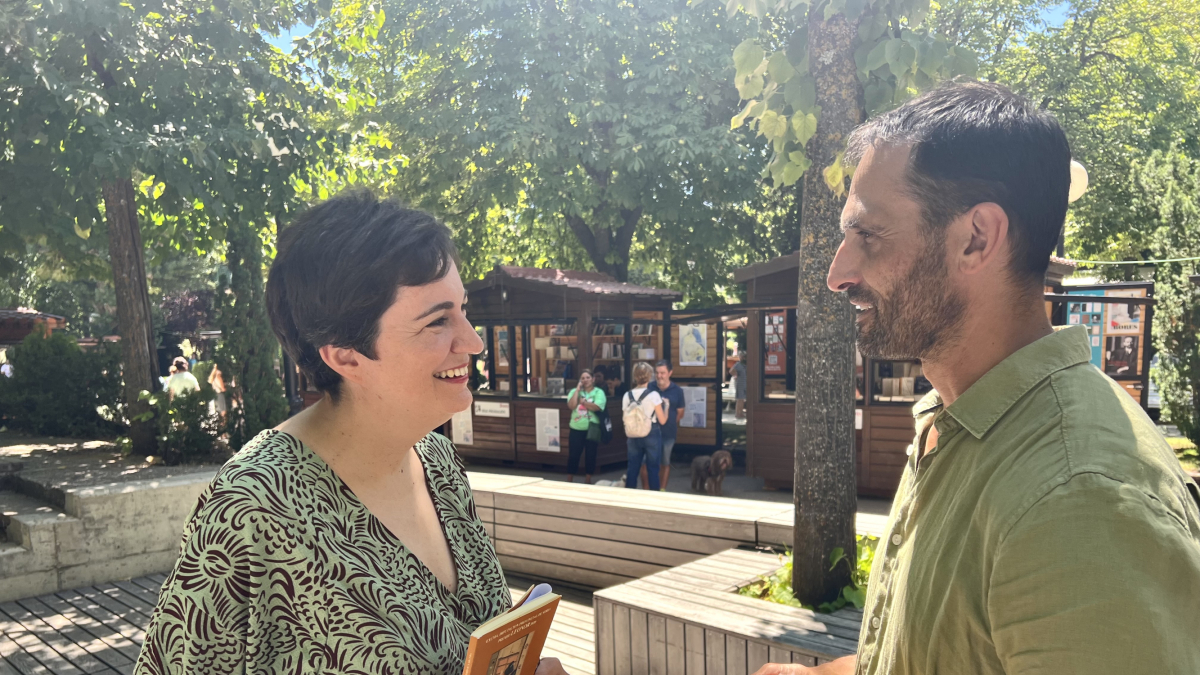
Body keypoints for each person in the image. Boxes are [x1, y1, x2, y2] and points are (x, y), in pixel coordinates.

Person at [755, 82, 1200, 675]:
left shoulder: (1080, 498)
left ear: (977, 238)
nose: (838, 273)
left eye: (868, 234)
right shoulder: (961, 417)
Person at [135, 192, 569, 675]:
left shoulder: (439, 462)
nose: (473, 341)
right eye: (438, 321)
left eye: (462, 310)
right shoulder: (253, 510)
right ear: (344, 357)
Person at [623, 361, 668, 491]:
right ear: (650, 376)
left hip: (632, 433)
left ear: (634, 377)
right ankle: (653, 498)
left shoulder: (627, 395)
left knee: (633, 467)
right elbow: (662, 420)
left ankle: (629, 496)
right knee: (653, 468)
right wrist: (667, 406)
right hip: (651, 433)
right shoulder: (654, 396)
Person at [641, 360, 685, 490]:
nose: (659, 376)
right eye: (657, 373)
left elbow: (680, 413)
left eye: (663, 373)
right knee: (644, 462)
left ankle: (662, 490)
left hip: (668, 433)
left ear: (670, 373)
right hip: (648, 432)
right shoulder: (648, 387)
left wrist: (668, 422)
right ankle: (646, 491)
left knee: (664, 462)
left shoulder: (677, 391)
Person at [566, 369, 606, 484]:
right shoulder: (574, 391)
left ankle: (588, 479)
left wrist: (583, 403)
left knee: (590, 455)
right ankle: (569, 479)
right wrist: (577, 390)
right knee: (573, 455)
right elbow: (571, 405)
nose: (585, 380)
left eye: (588, 377)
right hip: (576, 428)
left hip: (592, 428)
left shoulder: (599, 392)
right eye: (583, 378)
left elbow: (597, 407)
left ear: (593, 379)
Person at [729, 351, 747, 419]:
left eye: (744, 356)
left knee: (742, 399)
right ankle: (737, 413)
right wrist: (735, 375)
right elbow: (731, 371)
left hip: (745, 383)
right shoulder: (738, 364)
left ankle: (741, 413)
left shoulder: (745, 364)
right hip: (740, 383)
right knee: (740, 399)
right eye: (741, 356)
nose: (742, 358)